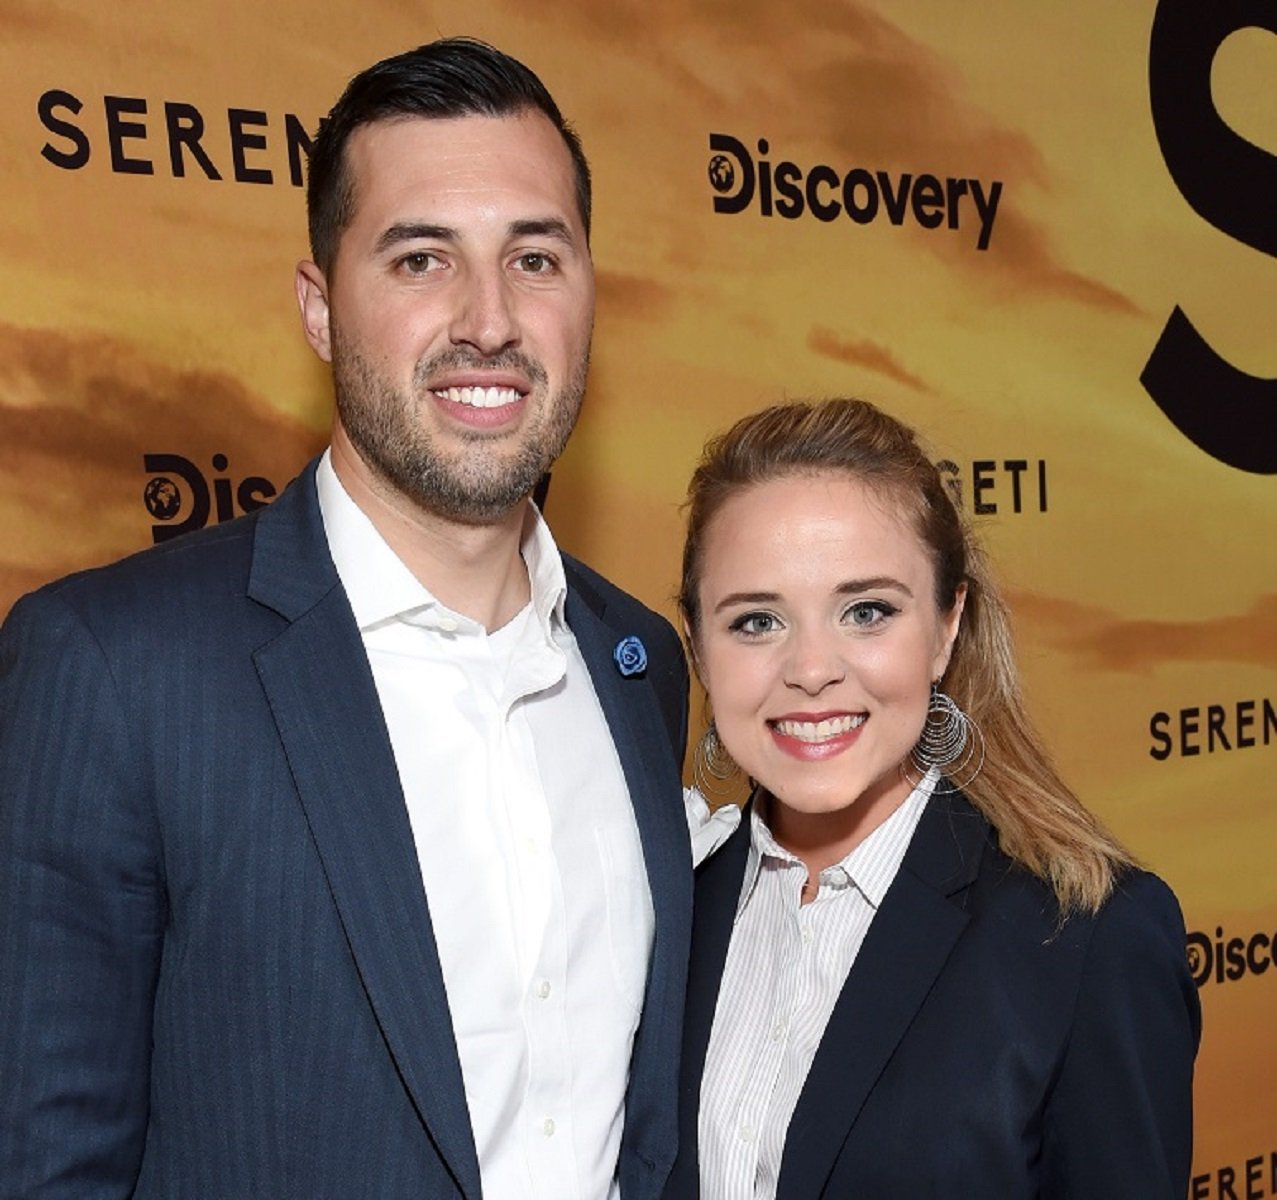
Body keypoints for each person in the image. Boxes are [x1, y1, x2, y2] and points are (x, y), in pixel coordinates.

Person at [0, 38, 691, 1200]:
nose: (488, 321)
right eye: (422, 259)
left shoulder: (641, 668)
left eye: (534, 257)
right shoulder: (115, 672)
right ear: (320, 310)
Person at [664, 398, 1200, 1199]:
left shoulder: (1090, 939)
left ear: (947, 626)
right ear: (699, 647)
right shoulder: (664, 909)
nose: (812, 670)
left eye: (866, 611)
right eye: (755, 621)